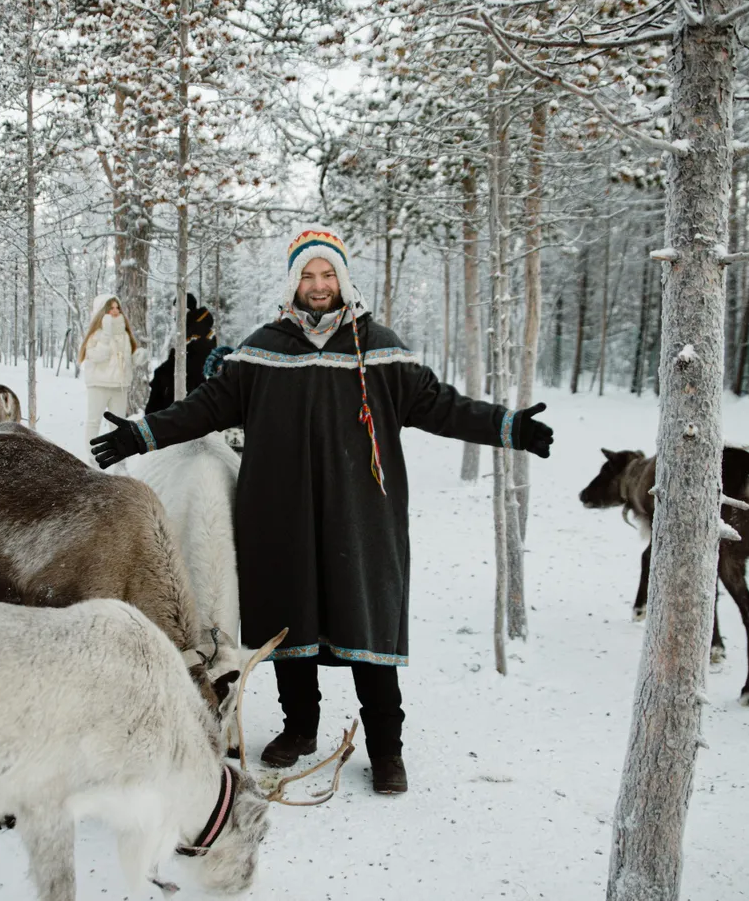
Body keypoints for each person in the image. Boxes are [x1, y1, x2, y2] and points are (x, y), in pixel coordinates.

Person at [90, 227, 552, 795]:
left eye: (327, 274)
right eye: (307, 275)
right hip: (279, 514)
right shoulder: (263, 351)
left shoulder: (379, 351)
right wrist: (143, 434)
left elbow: (439, 405)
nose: (318, 285)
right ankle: (299, 727)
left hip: (363, 518)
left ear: (343, 279)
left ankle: (387, 749)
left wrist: (510, 427)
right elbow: (206, 407)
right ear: (293, 282)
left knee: (368, 620)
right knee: (290, 617)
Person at [79, 294, 140, 445]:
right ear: (102, 311)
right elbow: (96, 356)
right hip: (99, 384)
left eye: (117, 307)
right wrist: (106, 335)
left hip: (119, 386)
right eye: (110, 308)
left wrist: (139, 357)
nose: (115, 311)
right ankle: (91, 459)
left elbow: (130, 360)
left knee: (119, 425)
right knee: (94, 422)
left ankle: (119, 462)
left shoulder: (125, 335)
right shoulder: (96, 335)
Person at [145, 293, 217, 414]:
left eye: (176, 309)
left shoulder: (199, 328)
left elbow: (197, 356)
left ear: (185, 309)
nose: (173, 313)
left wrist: (168, 368)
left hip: (192, 378)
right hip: (184, 374)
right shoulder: (189, 325)